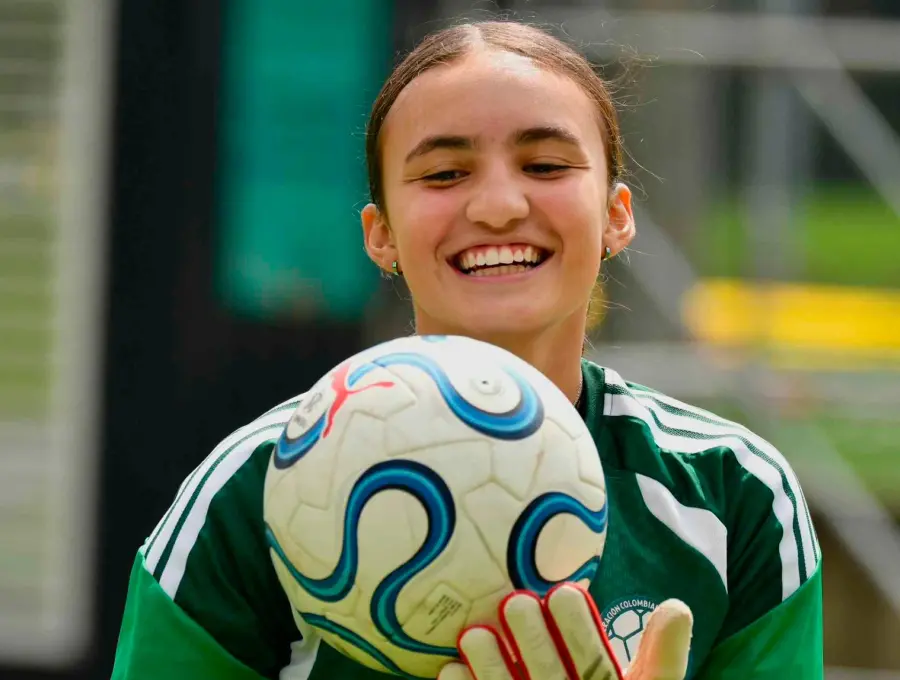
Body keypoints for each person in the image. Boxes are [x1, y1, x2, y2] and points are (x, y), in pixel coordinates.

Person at [111, 20, 823, 680]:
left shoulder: (735, 493)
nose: (499, 205)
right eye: (445, 174)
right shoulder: (254, 488)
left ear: (616, 215)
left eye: (545, 165)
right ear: (380, 234)